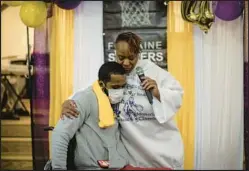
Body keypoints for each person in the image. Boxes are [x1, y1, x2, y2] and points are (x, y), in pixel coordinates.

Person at [62, 32, 184, 169]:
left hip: (162, 151)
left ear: (138, 54)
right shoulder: (113, 74)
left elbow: (178, 94)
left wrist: (158, 92)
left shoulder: (154, 72)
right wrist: (69, 102)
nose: (126, 63)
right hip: (132, 155)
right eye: (121, 57)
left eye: (131, 58)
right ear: (115, 53)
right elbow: (90, 91)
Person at [51, 62, 130, 170]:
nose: (120, 91)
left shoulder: (116, 99)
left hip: (117, 166)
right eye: (115, 87)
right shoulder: (85, 98)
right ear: (102, 84)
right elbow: (60, 134)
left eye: (123, 86)